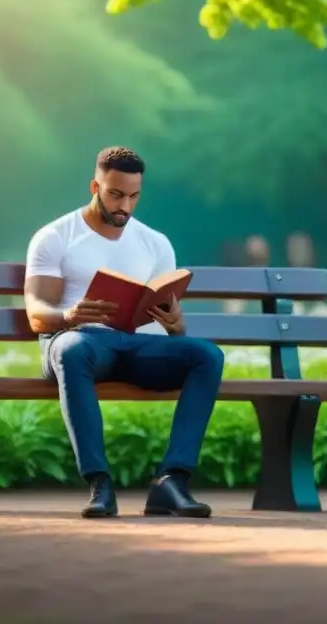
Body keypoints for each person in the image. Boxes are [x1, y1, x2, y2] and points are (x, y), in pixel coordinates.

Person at [23, 146, 225, 519]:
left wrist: (175, 327)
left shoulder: (155, 242)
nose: (125, 207)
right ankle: (100, 484)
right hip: (80, 343)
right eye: (115, 194)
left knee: (206, 355)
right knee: (71, 350)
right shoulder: (56, 236)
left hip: (136, 345)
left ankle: (172, 482)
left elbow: (166, 322)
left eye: (133, 196)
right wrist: (68, 315)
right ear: (94, 186)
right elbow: (36, 314)